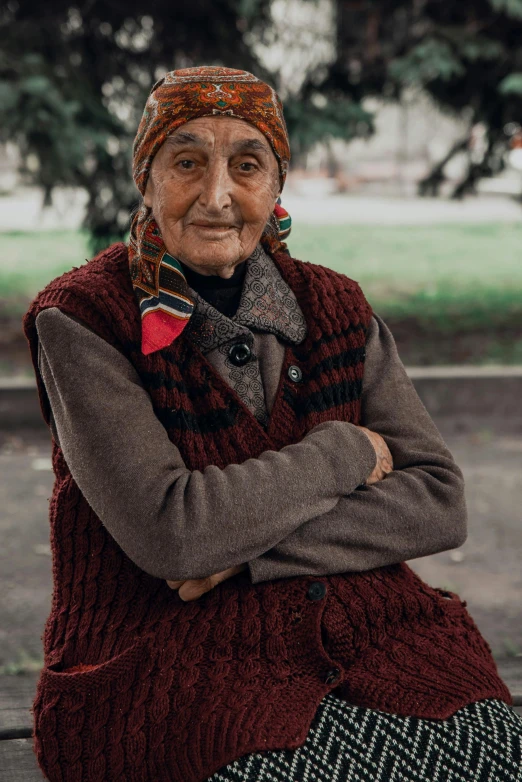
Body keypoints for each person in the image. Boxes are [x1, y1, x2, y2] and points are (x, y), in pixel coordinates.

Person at [23, 66, 521, 782]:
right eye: (187, 162)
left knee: (493, 754)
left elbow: (439, 500)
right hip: (171, 666)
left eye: (247, 165)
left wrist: (249, 555)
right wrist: (344, 452)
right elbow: (176, 534)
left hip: (372, 636)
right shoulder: (84, 319)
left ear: (276, 185)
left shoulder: (334, 305)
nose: (218, 195)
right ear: (147, 179)